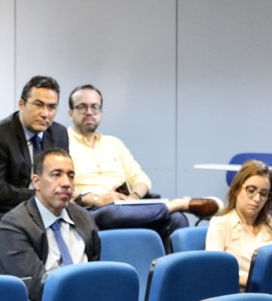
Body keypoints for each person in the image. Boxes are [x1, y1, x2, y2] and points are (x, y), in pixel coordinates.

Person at [66, 84, 220, 251]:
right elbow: (63, 188)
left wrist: (134, 197)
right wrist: (99, 199)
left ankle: (168, 268)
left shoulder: (115, 144)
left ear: (101, 112)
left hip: (126, 207)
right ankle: (177, 203)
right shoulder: (62, 142)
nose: (89, 112)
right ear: (70, 112)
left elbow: (141, 178)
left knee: (177, 219)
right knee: (112, 213)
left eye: (95, 107)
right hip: (90, 210)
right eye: (82, 107)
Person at [0, 148, 100, 301]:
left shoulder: (83, 217)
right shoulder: (14, 225)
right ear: (37, 182)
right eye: (56, 174)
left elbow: (95, 269)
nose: (66, 183)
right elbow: (36, 286)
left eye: (70, 176)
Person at [0, 75, 69, 213]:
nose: (45, 114)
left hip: (52, 208)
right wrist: (41, 197)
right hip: (11, 211)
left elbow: (63, 176)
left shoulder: (59, 133)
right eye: (38, 105)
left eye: (51, 107)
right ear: (21, 104)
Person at [205, 160, 272, 288]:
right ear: (236, 189)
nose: (257, 199)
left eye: (264, 194)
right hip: (240, 294)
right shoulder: (221, 224)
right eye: (251, 190)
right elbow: (215, 270)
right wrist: (255, 281)